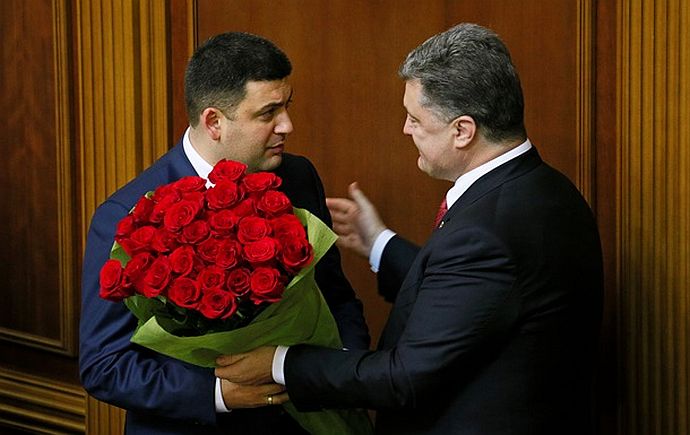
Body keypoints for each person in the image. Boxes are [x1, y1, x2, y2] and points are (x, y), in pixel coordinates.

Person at [215, 23, 604, 434]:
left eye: (416, 119)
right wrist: (379, 243)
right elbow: (472, 298)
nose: (406, 129)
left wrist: (281, 363)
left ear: (462, 131)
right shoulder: (546, 189)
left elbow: (402, 378)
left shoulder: (486, 232)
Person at [79, 32, 370, 434]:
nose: (287, 125)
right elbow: (105, 365)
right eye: (268, 113)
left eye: (287, 105)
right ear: (214, 122)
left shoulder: (299, 176)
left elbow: (335, 296)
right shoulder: (125, 217)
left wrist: (341, 370)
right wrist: (219, 394)